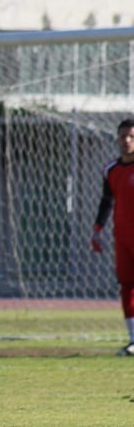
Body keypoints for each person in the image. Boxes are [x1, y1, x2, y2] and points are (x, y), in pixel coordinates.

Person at [92, 118, 134, 356]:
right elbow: (107, 201)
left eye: (131, 136)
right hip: (123, 237)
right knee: (127, 287)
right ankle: (133, 340)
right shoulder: (111, 170)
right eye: (123, 136)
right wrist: (98, 228)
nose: (126, 141)